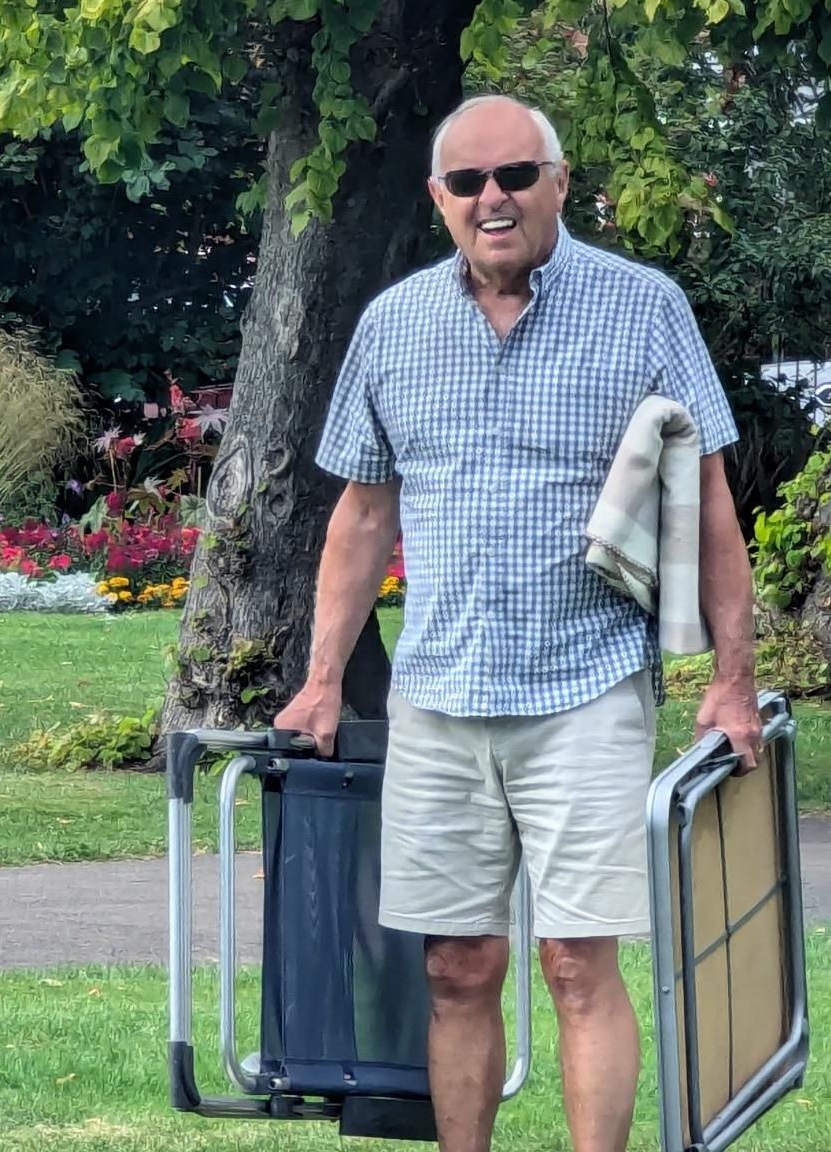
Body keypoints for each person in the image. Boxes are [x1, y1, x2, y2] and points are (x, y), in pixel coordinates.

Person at [273, 93, 762, 1152]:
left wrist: (731, 677)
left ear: (560, 182)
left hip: (584, 688)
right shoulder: (393, 323)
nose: (492, 200)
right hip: (441, 698)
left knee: (578, 964)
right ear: (438, 197)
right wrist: (320, 679)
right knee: (456, 966)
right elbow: (362, 514)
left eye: (515, 177)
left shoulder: (645, 307)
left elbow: (710, 499)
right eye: (467, 182)